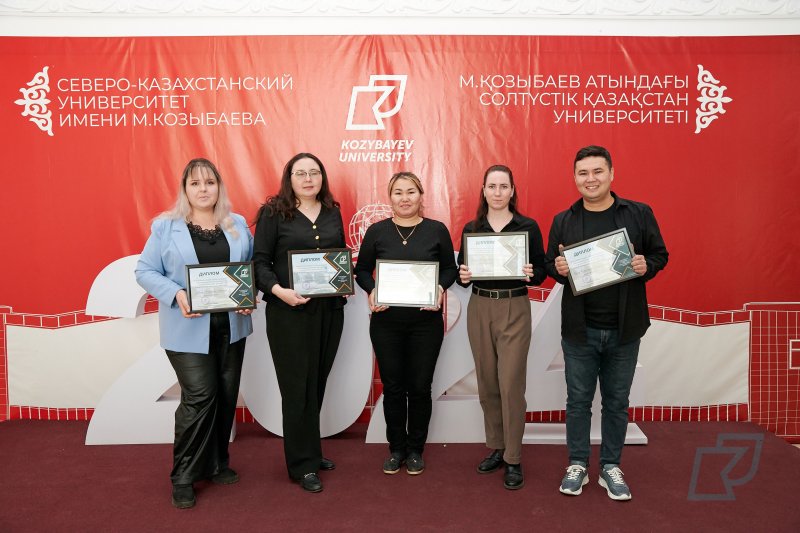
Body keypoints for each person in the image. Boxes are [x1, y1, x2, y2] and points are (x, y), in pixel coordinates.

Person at [545, 145, 668, 501]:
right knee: (578, 402)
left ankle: (611, 465)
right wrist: (559, 267)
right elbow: (551, 263)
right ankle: (578, 464)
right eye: (583, 173)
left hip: (625, 329)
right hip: (580, 330)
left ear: (612, 174)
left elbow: (660, 254)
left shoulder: (638, 214)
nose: (591, 179)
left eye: (598, 171)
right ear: (574, 178)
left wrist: (646, 266)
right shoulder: (564, 220)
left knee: (616, 402)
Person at [135, 158, 254, 509]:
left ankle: (217, 463)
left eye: (210, 182)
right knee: (200, 396)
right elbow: (145, 271)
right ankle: (183, 475)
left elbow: (248, 269)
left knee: (226, 395)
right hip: (186, 328)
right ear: (185, 189)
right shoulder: (165, 227)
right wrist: (176, 293)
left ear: (220, 187)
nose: (203, 189)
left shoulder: (237, 224)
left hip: (232, 326)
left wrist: (248, 295)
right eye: (195, 183)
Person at [252, 152, 346, 493]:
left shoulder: (333, 211)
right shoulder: (273, 213)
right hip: (288, 313)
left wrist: (343, 278)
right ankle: (301, 465)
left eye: (314, 172)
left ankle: (311, 451)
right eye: (300, 173)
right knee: (296, 388)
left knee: (316, 382)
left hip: (329, 310)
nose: (308, 179)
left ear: (322, 177)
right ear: (289, 179)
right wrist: (279, 291)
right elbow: (259, 262)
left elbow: (338, 257)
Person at [354, 171, 458, 476]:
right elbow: (362, 270)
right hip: (386, 322)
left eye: (411, 191)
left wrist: (439, 288)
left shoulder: (436, 230)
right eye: (398, 192)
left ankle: (415, 450)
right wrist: (372, 291)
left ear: (421, 195)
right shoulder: (377, 231)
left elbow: (449, 270)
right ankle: (396, 449)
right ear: (390, 197)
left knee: (420, 387)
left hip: (426, 324)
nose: (405, 198)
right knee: (394, 387)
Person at [456, 164, 547, 490]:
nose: (497, 192)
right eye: (492, 186)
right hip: (480, 306)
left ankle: (513, 457)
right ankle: (496, 446)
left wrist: (531, 273)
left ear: (512, 191)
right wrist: (463, 276)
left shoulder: (527, 226)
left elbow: (542, 271)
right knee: (487, 382)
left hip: (514, 306)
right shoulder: (472, 228)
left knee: (510, 384)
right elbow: (462, 274)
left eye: (503, 186)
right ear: (483, 190)